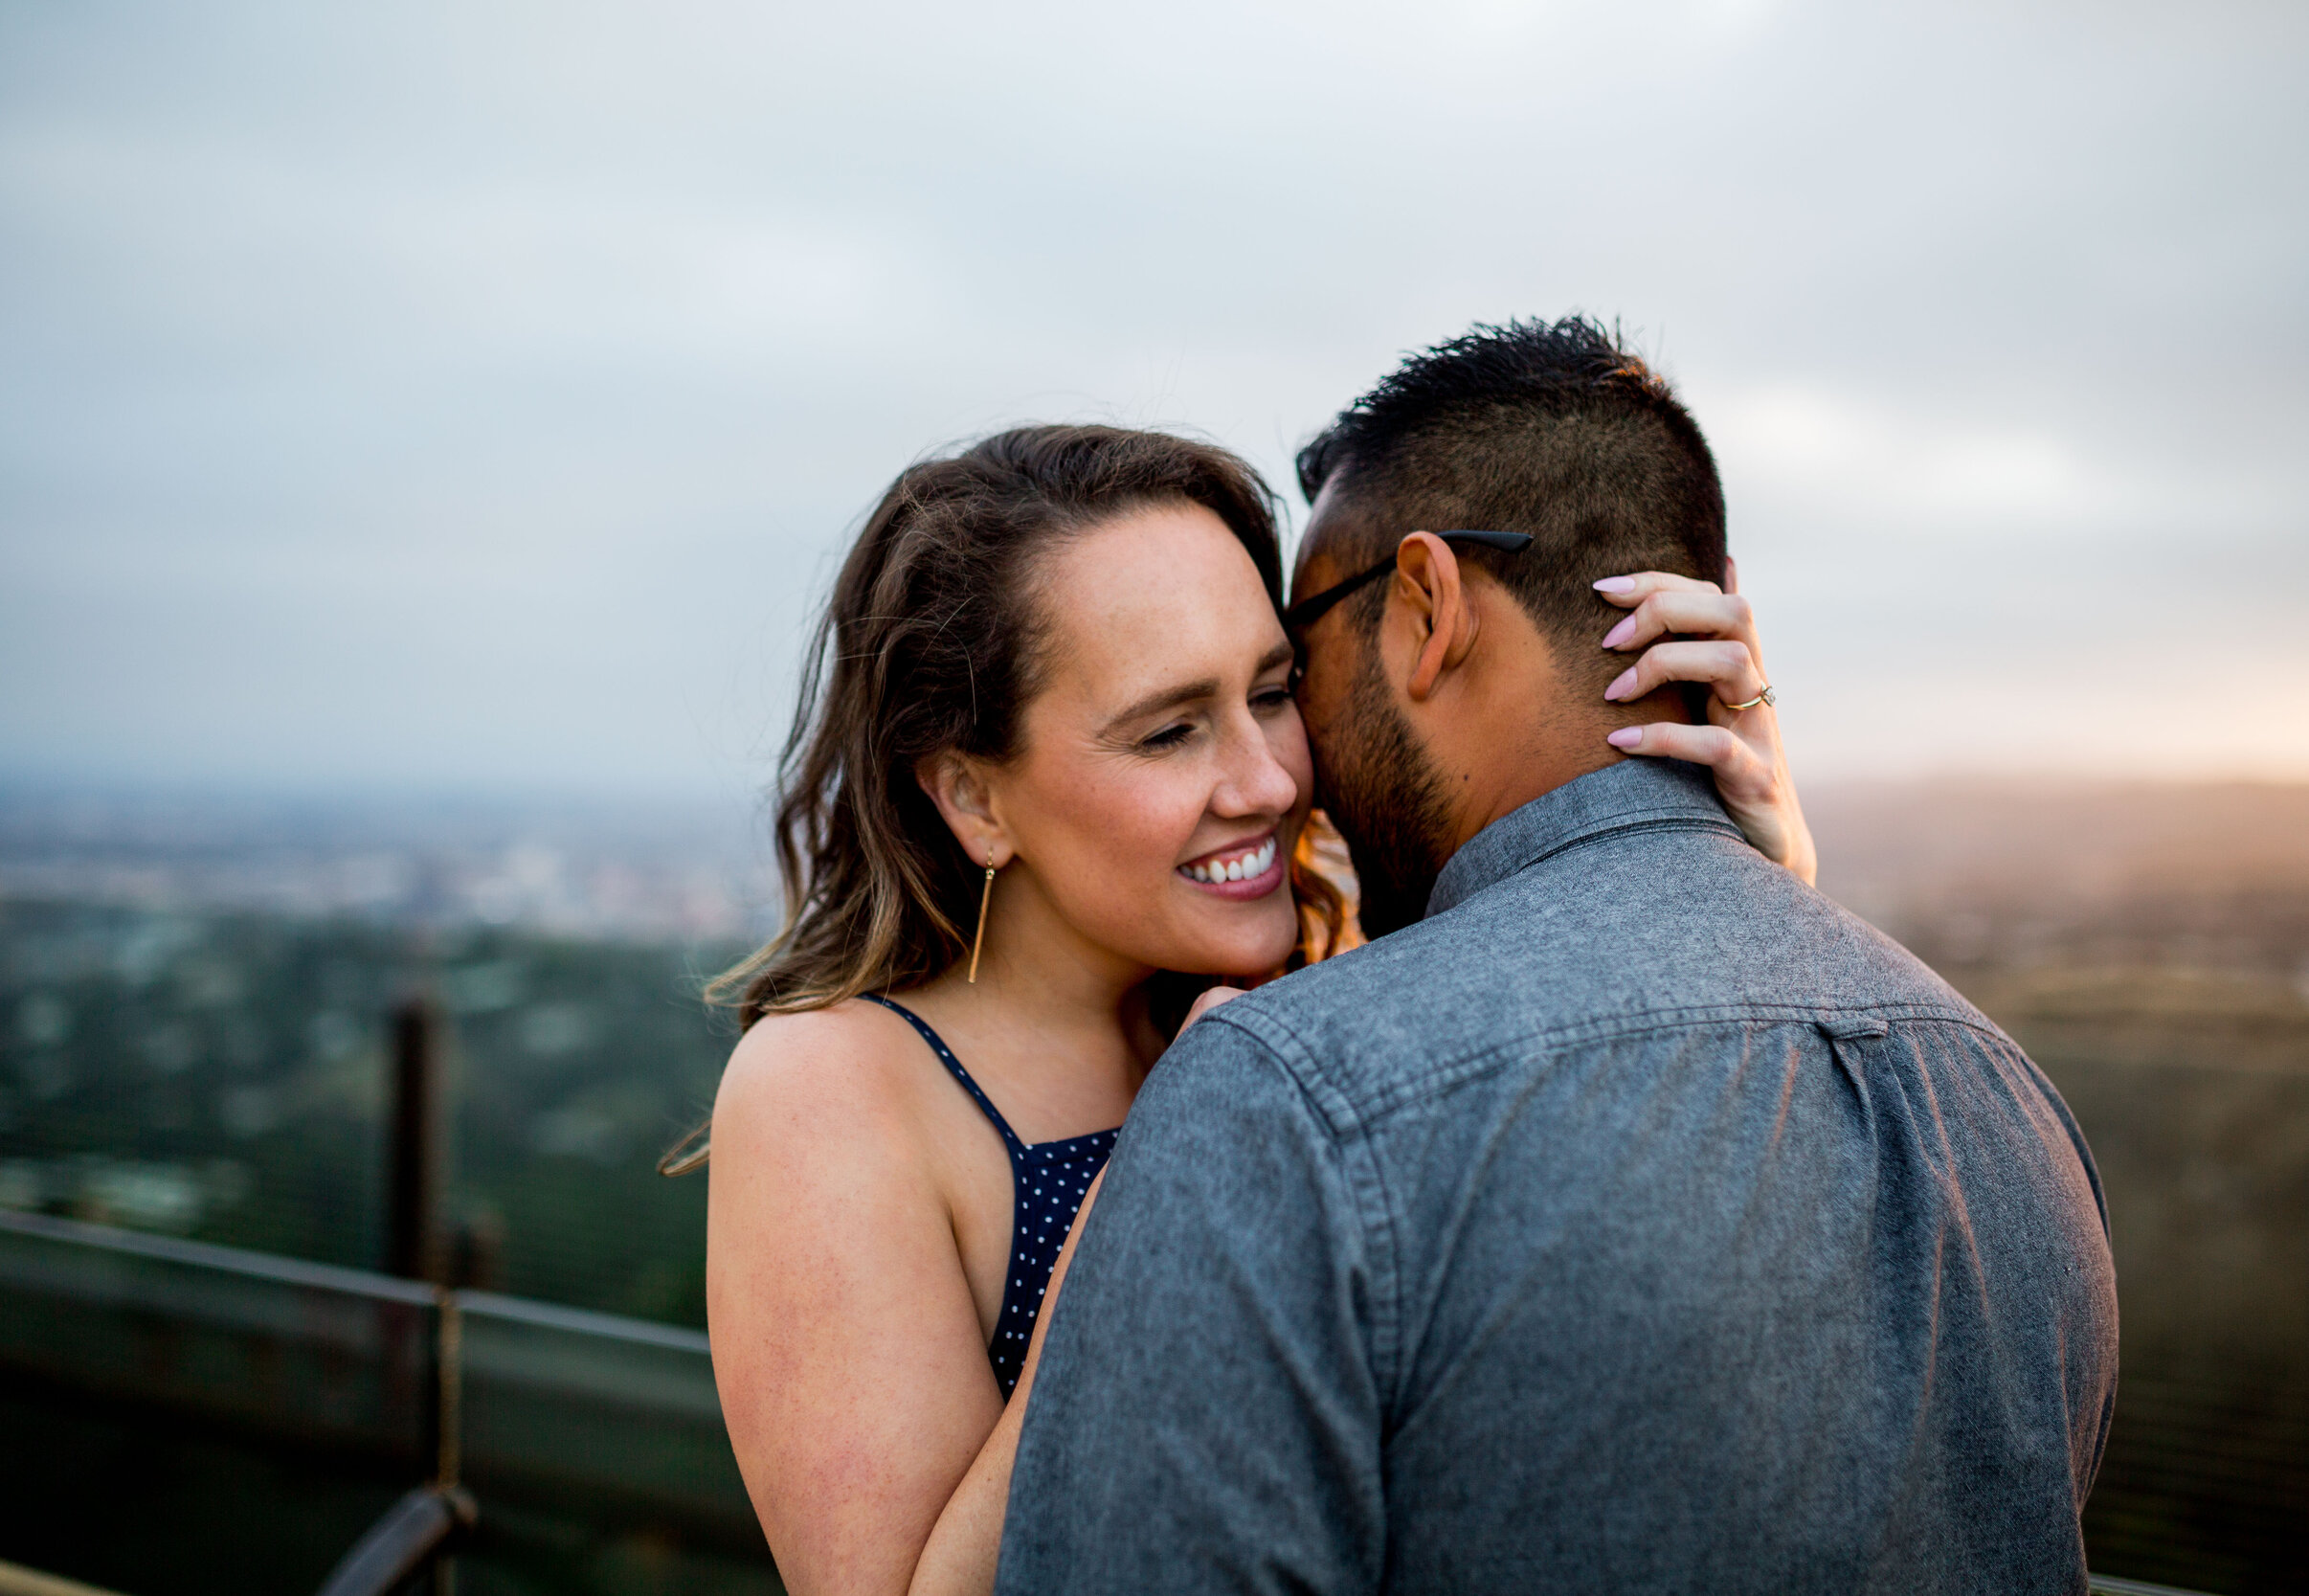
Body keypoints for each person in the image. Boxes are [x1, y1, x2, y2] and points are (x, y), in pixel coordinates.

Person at [995, 320, 2119, 1594]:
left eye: (1295, 664)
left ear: (1428, 605)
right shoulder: (2003, 1095)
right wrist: (1754, 897)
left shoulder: (1290, 1097)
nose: (1287, 757)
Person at [686, 410, 1815, 1594]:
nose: (1270, 779)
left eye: (1273, 691)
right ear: (973, 796)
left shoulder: (1318, 990)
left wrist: (1746, 890)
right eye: (1170, 730)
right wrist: (1160, 1203)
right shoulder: (836, 1088)